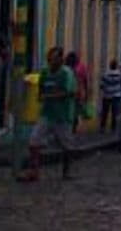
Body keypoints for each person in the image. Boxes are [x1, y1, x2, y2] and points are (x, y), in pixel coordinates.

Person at [21, 47, 76, 182]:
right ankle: (34, 172)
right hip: (46, 114)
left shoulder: (66, 73)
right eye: (50, 59)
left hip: (62, 115)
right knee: (34, 141)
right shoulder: (45, 73)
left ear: (61, 60)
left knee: (66, 146)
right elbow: (40, 93)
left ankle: (66, 171)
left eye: (54, 58)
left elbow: (69, 93)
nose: (51, 61)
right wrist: (43, 97)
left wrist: (50, 96)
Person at [65, 52, 89, 132]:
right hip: (77, 92)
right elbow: (85, 80)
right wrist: (86, 92)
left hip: (69, 92)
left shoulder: (65, 67)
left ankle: (70, 128)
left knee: (69, 111)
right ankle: (73, 129)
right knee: (75, 112)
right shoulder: (81, 66)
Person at [99, 59, 121, 133]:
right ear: (116, 66)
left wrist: (107, 89)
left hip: (107, 96)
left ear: (110, 66)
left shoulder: (105, 74)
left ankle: (102, 127)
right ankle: (113, 128)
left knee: (105, 112)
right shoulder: (120, 74)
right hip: (116, 96)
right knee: (115, 113)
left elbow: (101, 85)